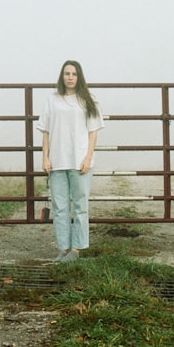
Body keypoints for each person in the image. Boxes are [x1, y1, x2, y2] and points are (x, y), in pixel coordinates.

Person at [37, 60, 104, 263]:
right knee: (60, 207)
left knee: (80, 206)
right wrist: (45, 157)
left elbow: (93, 132)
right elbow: (46, 131)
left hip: (80, 160)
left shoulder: (88, 99)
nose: (70, 77)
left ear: (79, 76)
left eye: (74, 74)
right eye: (67, 73)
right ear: (62, 76)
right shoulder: (52, 99)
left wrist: (88, 157)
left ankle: (76, 249)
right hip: (57, 161)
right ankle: (63, 248)